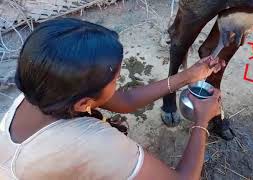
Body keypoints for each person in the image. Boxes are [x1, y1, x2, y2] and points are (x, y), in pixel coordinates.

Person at [0, 18, 224, 180]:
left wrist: (187, 77)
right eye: (116, 79)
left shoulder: (42, 88)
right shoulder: (92, 143)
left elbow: (125, 101)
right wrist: (201, 120)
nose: (118, 82)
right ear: (83, 104)